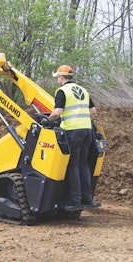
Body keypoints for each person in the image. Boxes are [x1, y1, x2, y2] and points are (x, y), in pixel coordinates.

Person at [48, 65, 101, 211]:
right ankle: (87, 199)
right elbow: (93, 111)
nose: (58, 80)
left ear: (61, 77)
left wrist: (48, 120)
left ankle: (75, 200)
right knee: (83, 163)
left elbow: (57, 112)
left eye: (58, 77)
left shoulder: (62, 91)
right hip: (87, 130)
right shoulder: (83, 90)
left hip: (72, 130)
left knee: (73, 164)